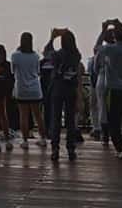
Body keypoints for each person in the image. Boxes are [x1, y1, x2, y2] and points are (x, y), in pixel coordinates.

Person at [96, 21, 122, 159]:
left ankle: (120, 149)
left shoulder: (110, 49)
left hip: (114, 89)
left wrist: (103, 31)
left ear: (114, 36)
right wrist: (118, 23)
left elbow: (97, 47)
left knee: (114, 120)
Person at [44, 29, 82, 162]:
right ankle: (71, 149)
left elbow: (46, 52)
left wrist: (52, 38)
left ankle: (55, 149)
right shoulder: (76, 55)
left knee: (56, 119)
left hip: (57, 89)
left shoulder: (58, 55)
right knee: (70, 120)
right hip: (71, 89)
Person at [11, 32, 46, 149]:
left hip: (22, 89)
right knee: (38, 116)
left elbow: (12, 71)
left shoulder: (15, 56)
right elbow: (37, 72)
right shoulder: (36, 56)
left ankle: (25, 141)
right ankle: (43, 138)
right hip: (35, 88)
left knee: (23, 115)